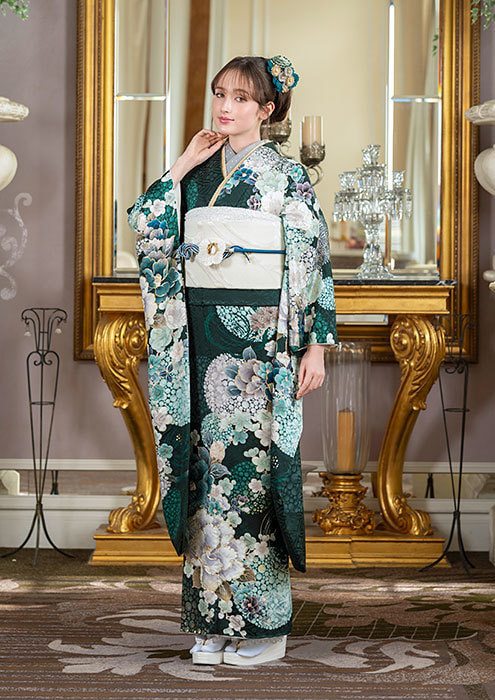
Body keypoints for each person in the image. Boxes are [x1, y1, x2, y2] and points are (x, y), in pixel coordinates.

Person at [127, 54, 337, 666]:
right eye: (220, 94)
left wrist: (315, 346)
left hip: (261, 344)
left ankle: (265, 628)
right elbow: (147, 229)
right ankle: (213, 621)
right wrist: (180, 165)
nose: (225, 106)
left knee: (252, 476)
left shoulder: (288, 177)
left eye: (241, 98)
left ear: (267, 110)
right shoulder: (197, 174)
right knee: (207, 475)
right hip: (199, 338)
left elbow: (312, 264)